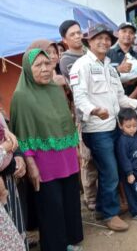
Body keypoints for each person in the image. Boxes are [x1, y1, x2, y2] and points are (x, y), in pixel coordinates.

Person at [70, 24, 137, 231]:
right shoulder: (81, 66)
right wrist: (94, 110)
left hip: (112, 127)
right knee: (110, 172)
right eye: (98, 38)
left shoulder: (109, 66)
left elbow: (120, 98)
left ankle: (102, 208)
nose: (104, 42)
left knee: (111, 170)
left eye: (107, 38)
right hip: (96, 129)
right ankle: (110, 214)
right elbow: (79, 97)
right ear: (89, 42)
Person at [10, 48, 83, 251]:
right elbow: (22, 135)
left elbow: (65, 122)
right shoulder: (21, 97)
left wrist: (75, 149)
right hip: (44, 163)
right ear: (27, 68)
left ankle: (70, 240)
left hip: (66, 157)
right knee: (52, 206)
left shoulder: (54, 89)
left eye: (47, 64)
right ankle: (55, 246)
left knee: (69, 200)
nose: (44, 69)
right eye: (38, 65)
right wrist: (31, 165)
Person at [58, 19, 97, 211]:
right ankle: (90, 197)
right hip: (83, 114)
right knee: (87, 156)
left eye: (78, 32)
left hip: (100, 109)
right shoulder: (66, 60)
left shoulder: (88, 53)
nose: (77, 36)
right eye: (72, 34)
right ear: (64, 39)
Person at [115, 108, 137, 221]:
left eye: (134, 126)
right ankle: (135, 212)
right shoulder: (122, 141)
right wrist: (129, 173)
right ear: (120, 126)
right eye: (128, 126)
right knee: (132, 192)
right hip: (131, 173)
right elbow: (123, 159)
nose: (132, 129)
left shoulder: (136, 136)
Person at [0, 112, 28, 250]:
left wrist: (18, 156)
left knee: (15, 234)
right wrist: (5, 147)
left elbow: (9, 135)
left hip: (9, 181)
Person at [107, 22, 137, 99]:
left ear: (134, 36)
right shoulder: (107, 55)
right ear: (117, 34)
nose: (127, 34)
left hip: (134, 102)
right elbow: (102, 77)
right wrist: (118, 70)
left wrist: (129, 100)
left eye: (131, 33)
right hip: (112, 102)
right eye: (124, 31)